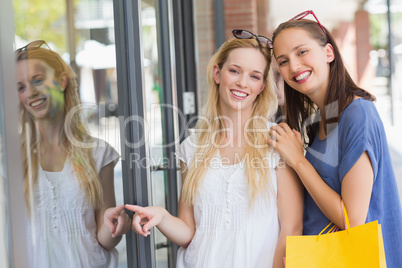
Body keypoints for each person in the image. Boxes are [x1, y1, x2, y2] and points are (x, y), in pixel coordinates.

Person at [125, 31, 304, 268]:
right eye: (234, 71)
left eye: (254, 76)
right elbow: (189, 232)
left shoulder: (277, 141)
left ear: (261, 86)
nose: (242, 82)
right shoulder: (191, 147)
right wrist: (161, 216)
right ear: (217, 73)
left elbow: (292, 228)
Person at [267, 10, 402, 267]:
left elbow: (352, 218)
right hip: (319, 257)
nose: (294, 66)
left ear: (329, 52)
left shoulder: (358, 114)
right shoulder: (323, 119)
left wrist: (298, 160)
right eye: (283, 61)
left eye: (302, 51)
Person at [16, 40, 131, 268]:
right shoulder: (9, 158)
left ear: (61, 81)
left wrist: (116, 226)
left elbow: (104, 239)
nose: (31, 93)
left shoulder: (98, 153)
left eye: (38, 80)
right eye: (21, 87)